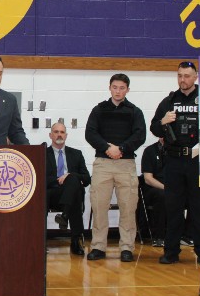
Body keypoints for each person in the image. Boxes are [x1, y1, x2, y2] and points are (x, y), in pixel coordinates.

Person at [150, 61, 200, 265]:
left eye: (187, 75)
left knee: (199, 209)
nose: (183, 80)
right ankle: (171, 251)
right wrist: (163, 122)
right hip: (175, 161)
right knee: (173, 208)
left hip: (198, 161)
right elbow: (154, 129)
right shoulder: (169, 101)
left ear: (195, 77)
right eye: (179, 76)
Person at [84, 73, 146, 262]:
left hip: (126, 164)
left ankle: (126, 247)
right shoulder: (99, 110)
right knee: (99, 206)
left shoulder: (135, 111)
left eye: (122, 88)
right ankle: (98, 247)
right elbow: (90, 133)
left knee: (128, 208)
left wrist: (121, 149)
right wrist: (107, 148)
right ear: (109, 88)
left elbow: (140, 135)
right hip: (103, 164)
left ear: (127, 90)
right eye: (115, 87)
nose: (118, 91)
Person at [45, 122, 91, 256]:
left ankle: (74, 237)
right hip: (52, 193)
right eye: (56, 132)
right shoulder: (43, 154)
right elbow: (41, 179)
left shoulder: (76, 154)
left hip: (72, 195)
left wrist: (69, 176)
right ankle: (68, 232)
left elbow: (87, 179)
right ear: (50, 135)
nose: (59, 134)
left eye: (62, 132)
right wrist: (60, 179)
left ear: (66, 135)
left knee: (74, 183)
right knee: (73, 188)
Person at [141, 138, 167, 247]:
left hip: (175, 188)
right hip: (155, 187)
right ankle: (159, 236)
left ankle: (187, 235)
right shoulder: (150, 151)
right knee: (163, 195)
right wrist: (166, 188)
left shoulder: (179, 151)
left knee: (194, 193)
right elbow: (148, 179)